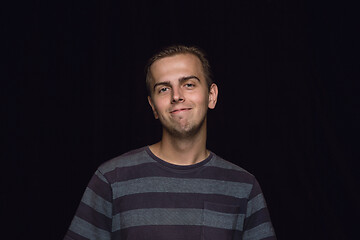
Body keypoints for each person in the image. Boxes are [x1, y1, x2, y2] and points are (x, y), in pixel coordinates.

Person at [64, 45, 276, 240]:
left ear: (211, 96)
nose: (177, 96)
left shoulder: (243, 186)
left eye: (189, 84)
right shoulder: (112, 179)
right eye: (164, 89)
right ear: (153, 106)